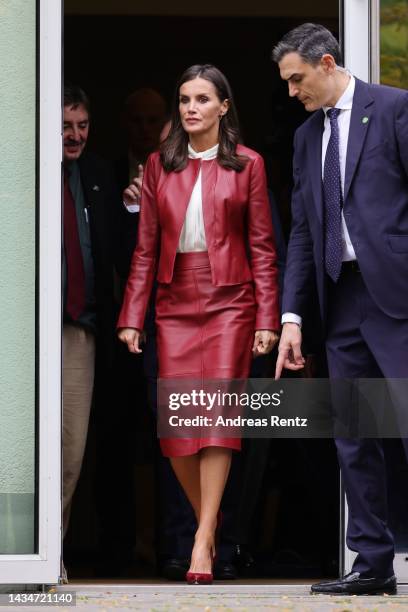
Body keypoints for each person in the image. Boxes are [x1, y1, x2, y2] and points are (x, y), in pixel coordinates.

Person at [117, 64, 280, 584]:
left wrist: (267, 318)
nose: (191, 108)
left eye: (203, 99)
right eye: (184, 99)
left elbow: (262, 246)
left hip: (231, 300)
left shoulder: (248, 165)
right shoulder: (159, 164)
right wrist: (131, 316)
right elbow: (145, 249)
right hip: (173, 301)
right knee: (178, 424)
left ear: (224, 107)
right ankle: (212, 524)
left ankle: (203, 538)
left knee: (218, 423)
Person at [273, 23, 408, 595]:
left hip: (398, 298)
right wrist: (292, 317)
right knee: (355, 435)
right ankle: (373, 565)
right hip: (341, 302)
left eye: (297, 79)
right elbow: (303, 232)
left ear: (326, 63)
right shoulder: (306, 137)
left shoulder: (396, 109)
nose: (291, 92)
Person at [62, 84, 119, 547]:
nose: (75, 135)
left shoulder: (98, 174)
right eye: (66, 126)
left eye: (82, 125)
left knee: (70, 450)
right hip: (26, 327)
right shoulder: (25, 170)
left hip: (80, 328)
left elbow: (122, 250)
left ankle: (50, 551)